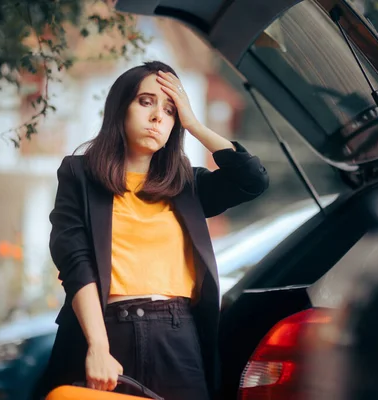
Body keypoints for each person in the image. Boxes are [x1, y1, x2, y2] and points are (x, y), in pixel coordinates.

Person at [34, 61, 269, 400]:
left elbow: (253, 180)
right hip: (107, 331)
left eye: (170, 110)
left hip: (177, 336)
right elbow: (75, 261)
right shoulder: (79, 175)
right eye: (146, 101)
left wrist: (193, 122)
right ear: (121, 108)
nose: (159, 116)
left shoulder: (187, 184)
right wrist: (98, 346)